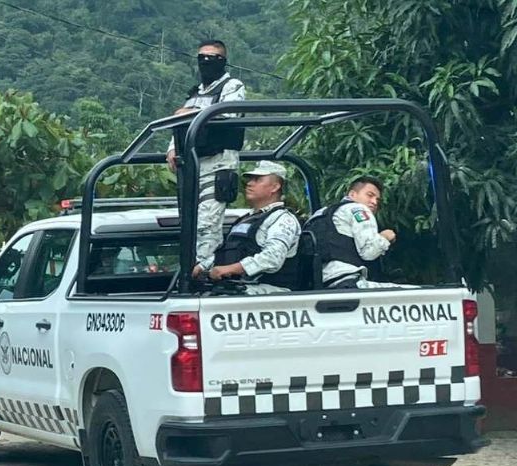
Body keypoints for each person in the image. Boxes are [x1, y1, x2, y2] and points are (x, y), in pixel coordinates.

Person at [165, 39, 247, 280]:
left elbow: (227, 113)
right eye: (202, 58)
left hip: (220, 160)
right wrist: (172, 148)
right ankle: (192, 263)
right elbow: (178, 126)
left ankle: (205, 268)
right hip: (193, 162)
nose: (206, 63)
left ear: (223, 61)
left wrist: (190, 114)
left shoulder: (232, 86)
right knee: (190, 218)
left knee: (209, 218)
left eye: (212, 58)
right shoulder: (194, 93)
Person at [196, 161, 301, 295]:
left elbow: (272, 258)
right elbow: (230, 251)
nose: (250, 183)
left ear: (275, 187)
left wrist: (231, 269)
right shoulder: (245, 219)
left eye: (257, 180)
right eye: (250, 179)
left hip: (272, 293)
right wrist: (202, 267)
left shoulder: (282, 219)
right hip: (241, 288)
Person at [304, 176, 401, 289]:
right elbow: (369, 252)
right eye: (370, 195)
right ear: (352, 194)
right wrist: (385, 237)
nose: (374, 202)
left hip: (321, 283)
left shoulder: (320, 214)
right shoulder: (358, 209)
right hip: (349, 282)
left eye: (377, 200)